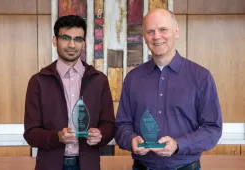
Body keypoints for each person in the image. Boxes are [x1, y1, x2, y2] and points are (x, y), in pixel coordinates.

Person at [115, 9, 222, 170]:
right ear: (144, 37)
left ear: (176, 32)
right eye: (150, 31)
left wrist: (179, 144)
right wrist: (131, 140)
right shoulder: (133, 78)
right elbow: (122, 124)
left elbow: (212, 128)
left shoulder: (201, 77)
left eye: (163, 30)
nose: (157, 36)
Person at [24, 15, 115, 170]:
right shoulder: (38, 81)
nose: (72, 45)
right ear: (55, 40)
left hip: (88, 165)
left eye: (78, 39)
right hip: (50, 165)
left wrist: (100, 135)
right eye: (66, 38)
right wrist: (57, 137)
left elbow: (109, 125)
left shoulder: (99, 80)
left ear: (84, 43)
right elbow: (31, 133)